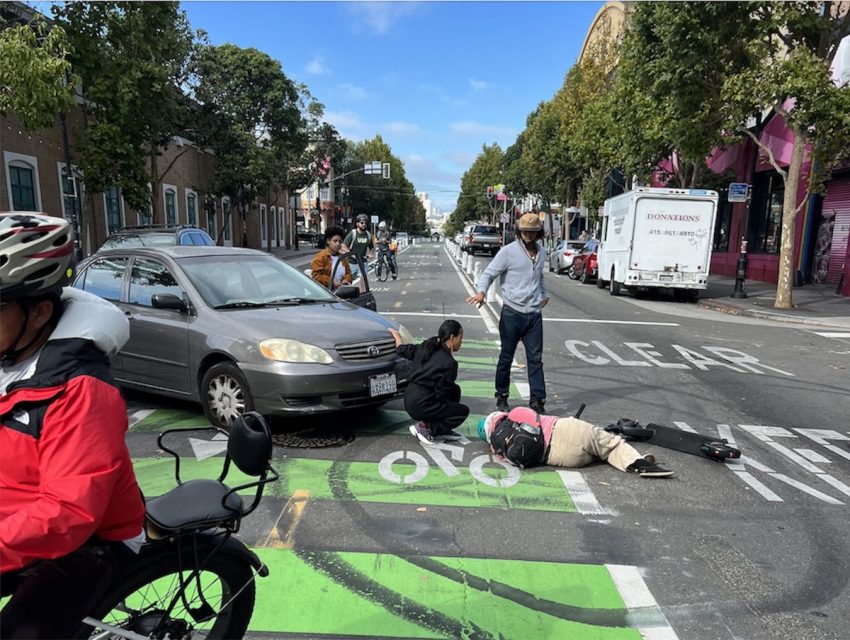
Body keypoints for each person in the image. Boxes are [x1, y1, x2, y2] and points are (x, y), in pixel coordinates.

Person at [0, 212, 146, 638]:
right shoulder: (10, 356)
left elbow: (68, 511)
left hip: (88, 539)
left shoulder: (82, 391)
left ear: (40, 311)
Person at [467, 212, 549, 414]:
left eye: (533, 232)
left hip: (534, 315)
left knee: (535, 359)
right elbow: (489, 273)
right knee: (506, 356)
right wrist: (481, 292)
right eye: (525, 232)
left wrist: (544, 294)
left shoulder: (542, 253)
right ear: (519, 231)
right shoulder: (507, 252)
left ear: (539, 233)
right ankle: (502, 395)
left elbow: (539, 278)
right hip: (512, 313)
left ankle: (537, 400)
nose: (529, 235)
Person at [478, 407, 674, 478]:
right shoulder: (513, 415)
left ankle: (632, 461)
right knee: (612, 443)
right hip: (564, 431)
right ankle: (640, 463)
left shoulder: (498, 448)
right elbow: (535, 417)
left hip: (561, 458)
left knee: (601, 452)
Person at [389, 319, 469, 445]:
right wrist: (448, 413)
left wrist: (397, 337)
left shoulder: (428, 346)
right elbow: (442, 394)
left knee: (455, 390)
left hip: (409, 398)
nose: (461, 342)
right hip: (422, 405)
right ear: (452, 337)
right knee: (462, 411)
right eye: (461, 338)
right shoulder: (449, 363)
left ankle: (443, 430)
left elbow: (403, 350)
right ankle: (428, 428)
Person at [310, 225, 352, 289]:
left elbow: (348, 274)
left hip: (341, 291)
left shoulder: (343, 258)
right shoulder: (320, 257)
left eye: (340, 242)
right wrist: (331, 282)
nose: (338, 244)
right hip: (326, 292)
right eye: (335, 241)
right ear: (328, 241)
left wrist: (345, 281)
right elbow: (316, 275)